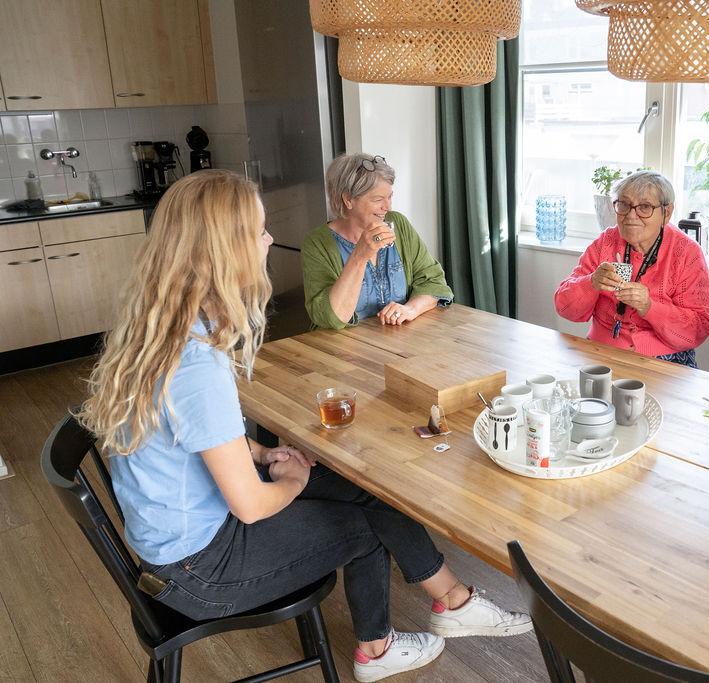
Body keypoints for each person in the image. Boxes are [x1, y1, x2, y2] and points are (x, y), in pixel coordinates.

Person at [77, 170, 530, 683]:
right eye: (259, 231)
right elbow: (250, 506)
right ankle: (381, 648)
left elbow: (198, 433)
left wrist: (265, 454)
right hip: (199, 568)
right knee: (368, 526)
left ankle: (453, 601)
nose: (270, 240)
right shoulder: (196, 364)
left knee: (364, 489)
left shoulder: (162, 327)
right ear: (225, 249)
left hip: (181, 536)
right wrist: (290, 479)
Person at [554, 170, 709, 368]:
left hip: (664, 361)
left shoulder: (687, 253)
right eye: (624, 204)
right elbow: (564, 307)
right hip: (601, 352)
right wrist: (592, 283)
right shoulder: (605, 242)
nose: (631, 215)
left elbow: (699, 327)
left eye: (644, 207)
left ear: (667, 212)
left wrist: (649, 306)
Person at [303, 153, 453, 329]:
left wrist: (410, 309)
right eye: (378, 199)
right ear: (348, 199)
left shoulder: (398, 224)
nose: (387, 207)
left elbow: (434, 283)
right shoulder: (316, 244)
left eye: (389, 197)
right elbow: (330, 318)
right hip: (343, 352)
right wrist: (359, 256)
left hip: (400, 345)